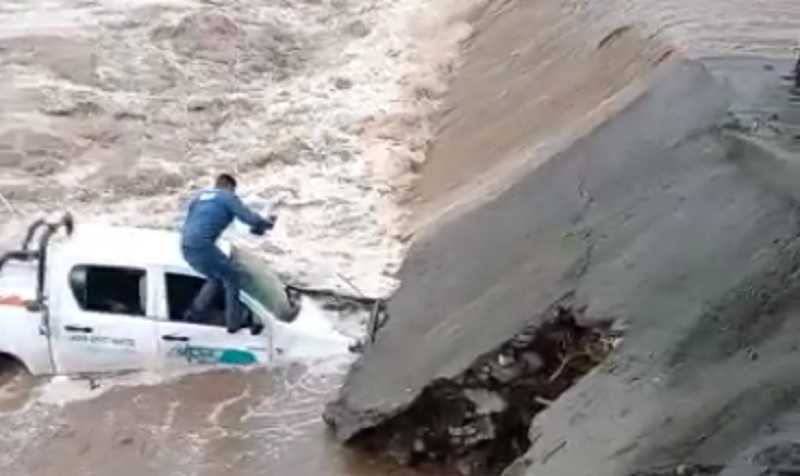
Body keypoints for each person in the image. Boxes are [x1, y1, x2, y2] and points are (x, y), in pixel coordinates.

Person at [180, 173, 275, 334]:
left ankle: (193, 314)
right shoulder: (228, 197)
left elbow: (198, 221)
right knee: (232, 277)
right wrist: (267, 223)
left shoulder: (199, 198)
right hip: (203, 247)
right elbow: (251, 219)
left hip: (186, 246)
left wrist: (258, 227)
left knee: (216, 278)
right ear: (230, 187)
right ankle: (234, 323)